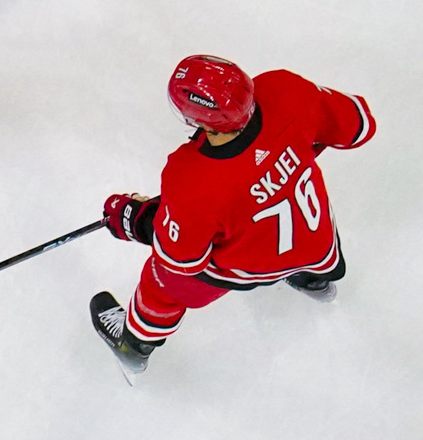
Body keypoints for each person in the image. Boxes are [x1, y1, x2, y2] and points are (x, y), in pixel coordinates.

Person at [89, 55, 377, 379]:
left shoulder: (189, 180)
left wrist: (136, 219)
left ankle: (133, 345)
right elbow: (358, 126)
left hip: (246, 265)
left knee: (162, 280)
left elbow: (181, 257)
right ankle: (315, 281)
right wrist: (288, 151)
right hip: (316, 243)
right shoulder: (286, 89)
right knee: (305, 240)